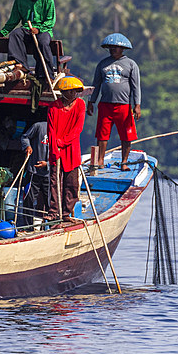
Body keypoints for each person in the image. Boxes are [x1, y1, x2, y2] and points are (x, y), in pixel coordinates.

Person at [86, 33, 141, 171]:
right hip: (105, 104)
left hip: (124, 105)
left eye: (116, 47)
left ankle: (124, 162)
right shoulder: (103, 64)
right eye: (111, 47)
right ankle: (100, 160)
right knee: (102, 134)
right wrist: (91, 102)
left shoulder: (131, 64)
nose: (113, 50)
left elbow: (136, 87)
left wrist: (137, 105)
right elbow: (96, 84)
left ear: (122, 49)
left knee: (127, 134)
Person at [0, 0, 56, 85]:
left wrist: (39, 30)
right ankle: (21, 64)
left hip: (43, 30)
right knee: (15, 34)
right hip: (27, 29)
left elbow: (50, 21)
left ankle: (47, 74)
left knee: (43, 43)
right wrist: (2, 32)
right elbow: (14, 19)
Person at [48, 76, 86, 224]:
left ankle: (66, 212)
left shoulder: (80, 105)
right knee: (55, 182)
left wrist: (63, 142)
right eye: (70, 91)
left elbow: (78, 129)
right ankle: (53, 212)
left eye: (75, 91)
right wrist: (55, 147)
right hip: (56, 149)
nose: (73, 94)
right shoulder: (54, 107)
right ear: (63, 92)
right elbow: (51, 130)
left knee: (71, 183)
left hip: (71, 149)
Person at [20, 120, 49, 227]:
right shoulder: (39, 126)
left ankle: (52, 226)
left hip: (50, 175)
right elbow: (25, 137)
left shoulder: (61, 130)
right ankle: (27, 227)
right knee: (28, 201)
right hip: (34, 172)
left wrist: (48, 164)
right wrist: (27, 146)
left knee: (51, 203)